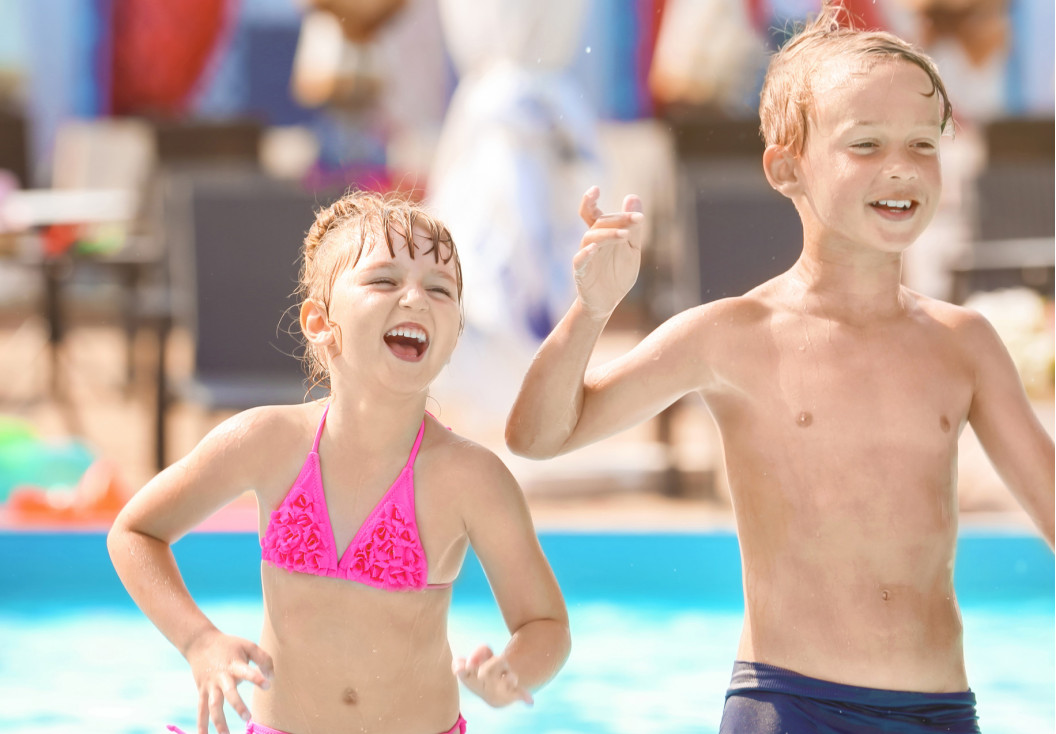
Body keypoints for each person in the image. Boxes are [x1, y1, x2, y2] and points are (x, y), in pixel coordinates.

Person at [504, 5, 1054, 733]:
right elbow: (539, 437)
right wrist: (592, 311)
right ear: (785, 165)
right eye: (865, 144)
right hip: (788, 704)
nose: (901, 166)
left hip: (939, 710)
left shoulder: (964, 343)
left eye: (924, 143)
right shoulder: (731, 335)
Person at [108, 190, 570, 734]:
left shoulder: (470, 478)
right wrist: (198, 640)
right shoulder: (267, 441)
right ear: (320, 322)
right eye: (384, 281)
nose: (416, 298)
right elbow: (136, 532)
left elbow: (545, 625)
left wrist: (512, 672)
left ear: (452, 341)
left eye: (440, 289)